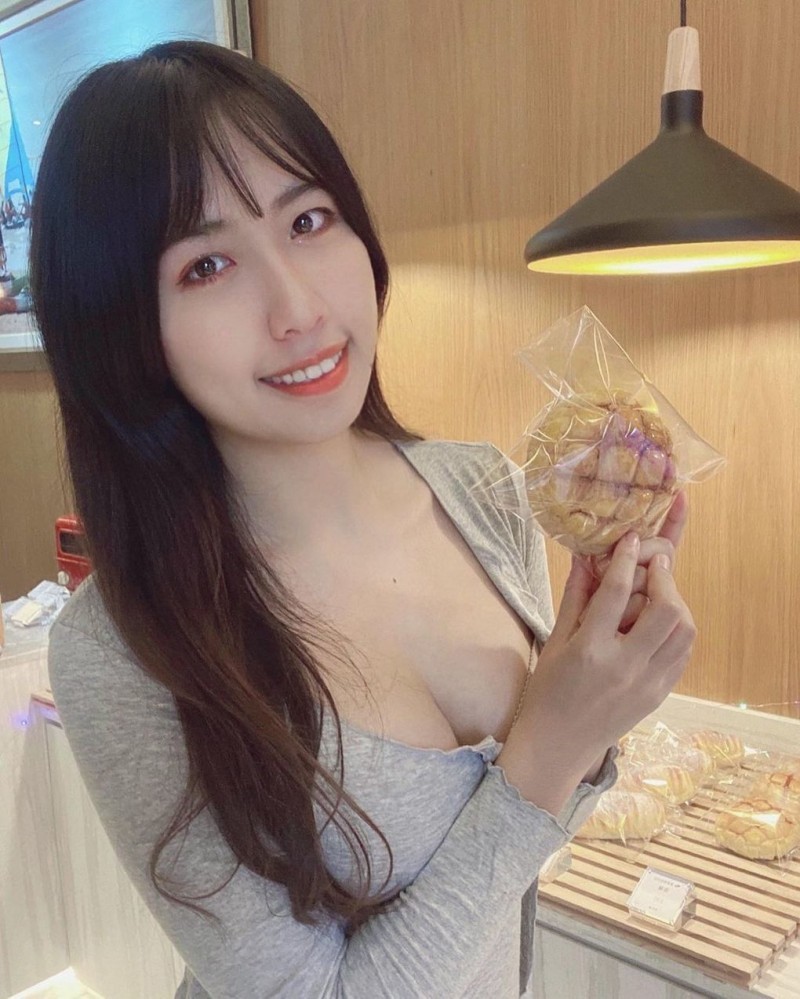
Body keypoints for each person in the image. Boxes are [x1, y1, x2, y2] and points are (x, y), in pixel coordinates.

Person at [30, 41, 695, 998]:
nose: (298, 307)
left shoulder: (483, 488)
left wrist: (596, 679)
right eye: (207, 264)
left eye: (308, 219)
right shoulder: (122, 651)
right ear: (120, 328)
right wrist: (551, 749)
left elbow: (523, 838)